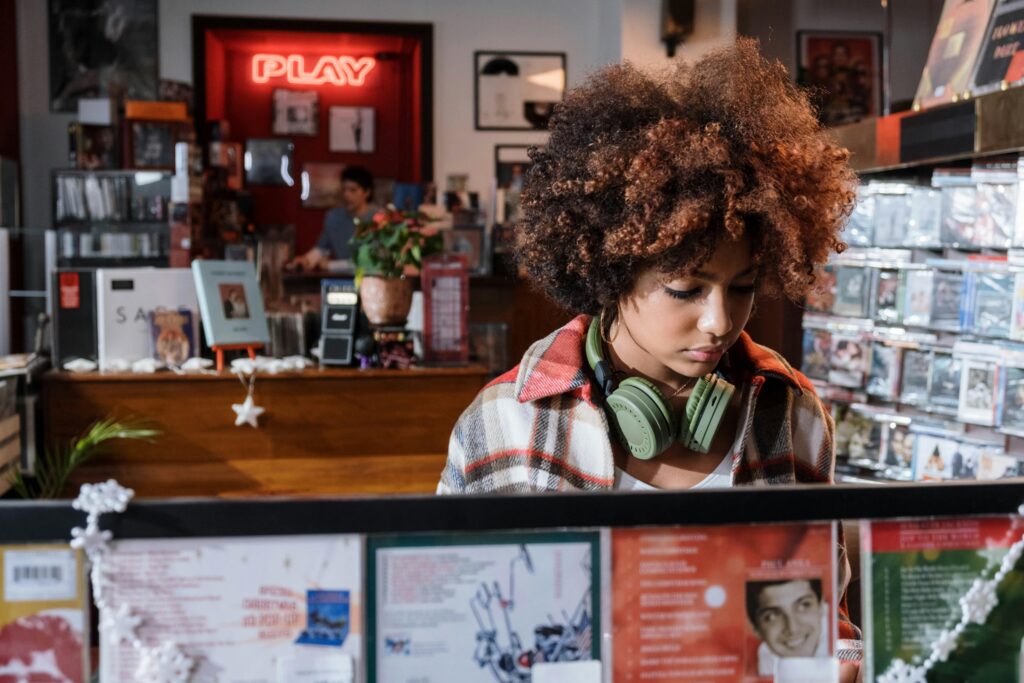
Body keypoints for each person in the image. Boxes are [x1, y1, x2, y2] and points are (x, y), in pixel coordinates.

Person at [437, 39, 861, 681]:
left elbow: (830, 622)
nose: (719, 321)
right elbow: (447, 633)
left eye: (743, 287)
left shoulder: (790, 411)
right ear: (610, 270)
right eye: (686, 289)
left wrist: (843, 662)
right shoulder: (504, 422)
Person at [288, 166, 378, 271]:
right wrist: (306, 260)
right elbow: (322, 248)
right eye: (344, 189)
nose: (347, 194)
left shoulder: (379, 219)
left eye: (353, 190)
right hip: (340, 282)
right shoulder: (334, 217)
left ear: (367, 192)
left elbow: (373, 261)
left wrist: (331, 265)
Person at [746, 578, 829, 676]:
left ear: (822, 607)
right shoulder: (765, 655)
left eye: (804, 605)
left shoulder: (842, 656)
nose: (792, 628)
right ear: (756, 628)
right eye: (772, 616)